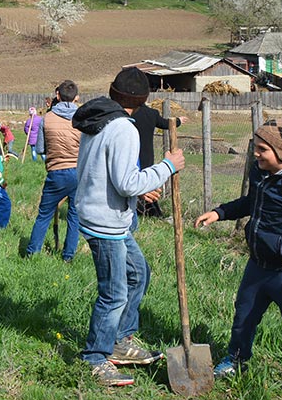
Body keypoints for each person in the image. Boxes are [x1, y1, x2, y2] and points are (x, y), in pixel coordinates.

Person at [195, 119, 282, 400]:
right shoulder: (262, 173)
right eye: (255, 147)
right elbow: (251, 202)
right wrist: (220, 212)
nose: (255, 153)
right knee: (244, 318)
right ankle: (236, 361)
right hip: (258, 266)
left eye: (262, 149)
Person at [72, 67, 183, 387]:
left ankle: (121, 339)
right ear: (142, 100)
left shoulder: (100, 119)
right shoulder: (122, 128)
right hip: (106, 221)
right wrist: (167, 167)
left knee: (138, 273)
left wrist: (137, 187)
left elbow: (106, 171)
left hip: (104, 214)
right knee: (114, 293)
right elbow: (125, 181)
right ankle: (95, 357)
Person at [26, 80, 82, 260]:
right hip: (78, 172)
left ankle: (32, 253)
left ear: (57, 95)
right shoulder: (82, 119)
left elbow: (40, 148)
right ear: (77, 98)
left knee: (44, 215)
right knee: (74, 217)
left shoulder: (47, 119)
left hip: (56, 172)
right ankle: (68, 256)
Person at [131, 104, 187, 218]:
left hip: (130, 155)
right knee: (147, 183)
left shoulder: (125, 114)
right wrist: (178, 121)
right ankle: (152, 213)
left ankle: (141, 211)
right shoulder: (152, 113)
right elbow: (165, 123)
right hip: (146, 156)